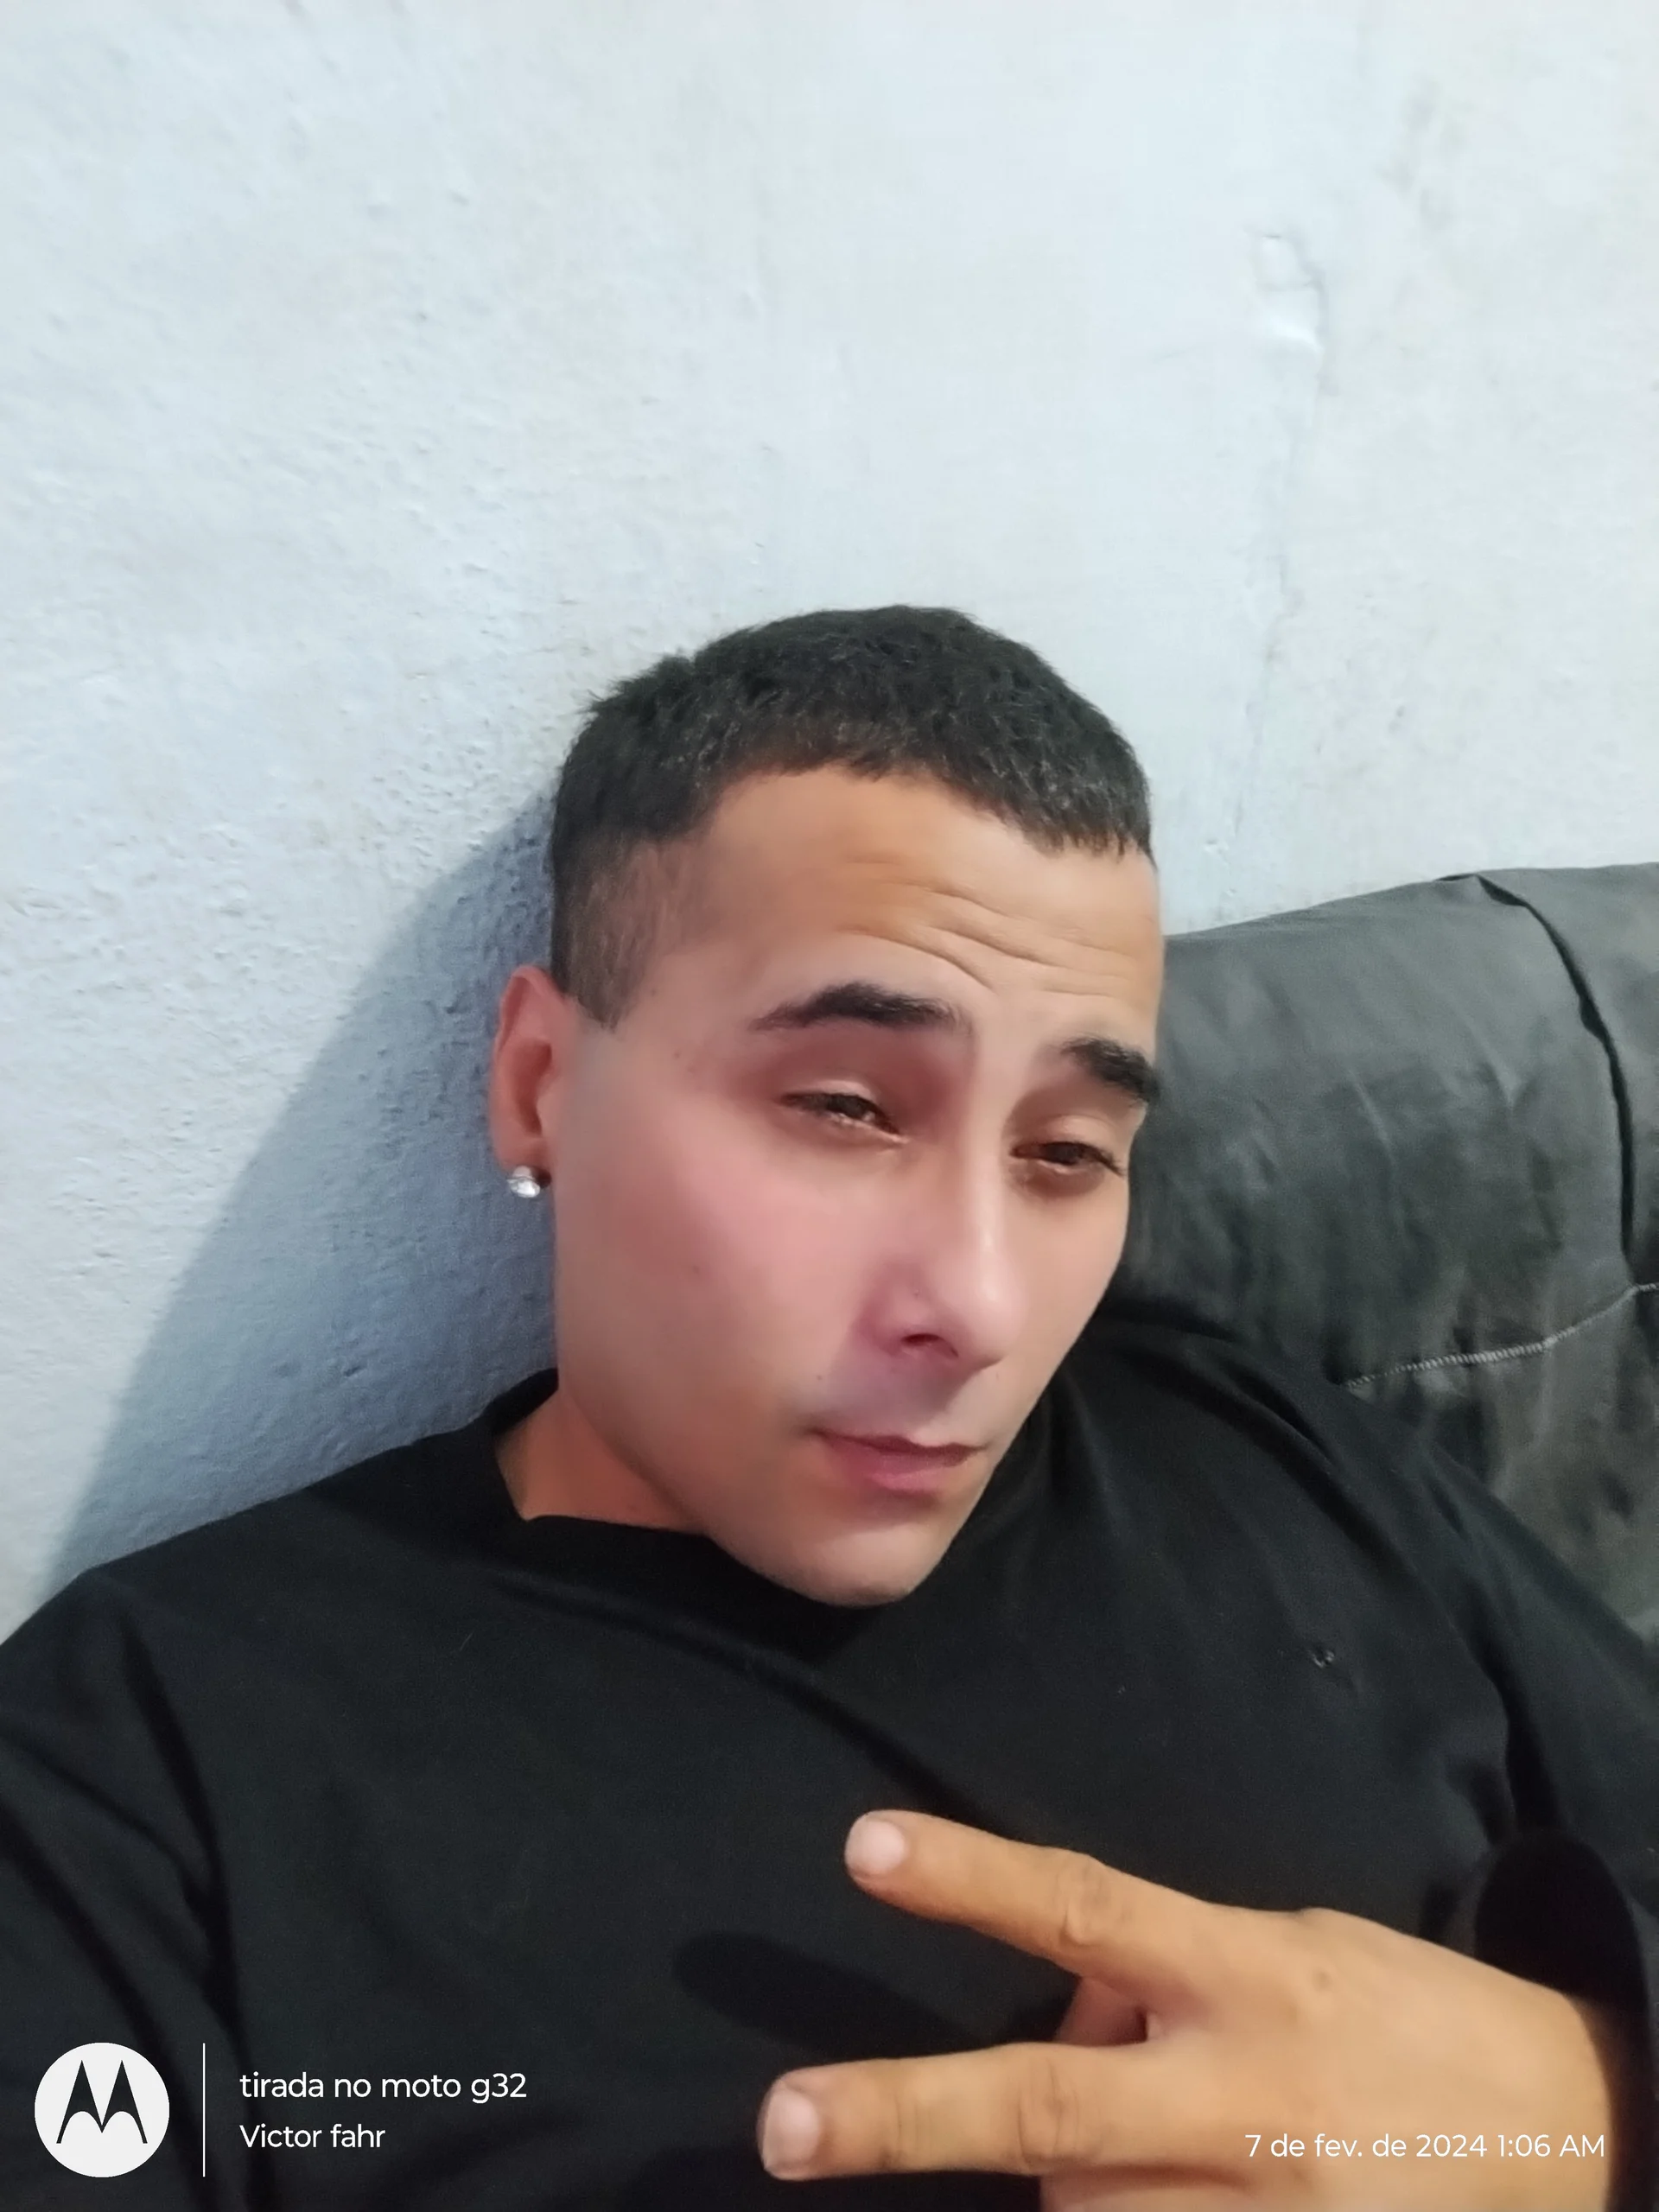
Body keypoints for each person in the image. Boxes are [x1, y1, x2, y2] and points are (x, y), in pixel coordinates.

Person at [1, 606, 1655, 2212]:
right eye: (848, 1108)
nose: (981, 1308)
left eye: (1067, 1151)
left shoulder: (1258, 1448)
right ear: (540, 1086)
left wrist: (1589, 2110)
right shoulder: (146, 1767)